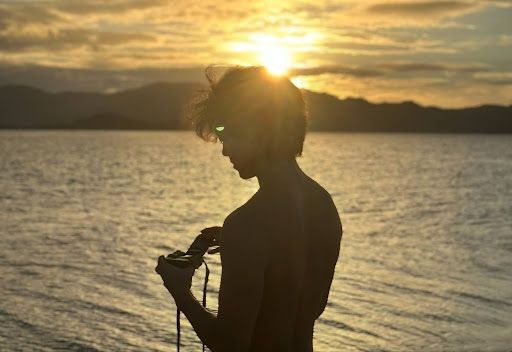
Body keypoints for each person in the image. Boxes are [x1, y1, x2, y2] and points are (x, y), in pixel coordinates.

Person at [155, 66, 342, 351]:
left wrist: (180, 291)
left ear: (257, 129)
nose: (225, 150)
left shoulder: (247, 225)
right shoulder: (323, 206)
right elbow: (298, 297)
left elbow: (230, 344)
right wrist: (238, 241)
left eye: (228, 133)